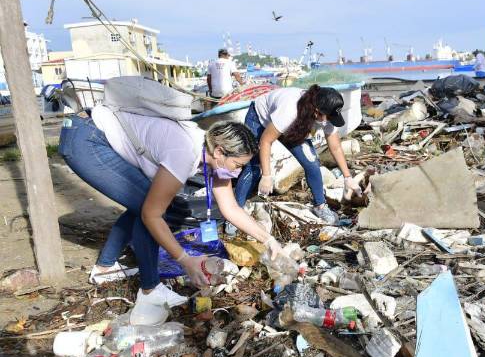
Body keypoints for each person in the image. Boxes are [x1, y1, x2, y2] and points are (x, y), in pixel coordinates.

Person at [57, 105, 286, 316]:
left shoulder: (212, 156)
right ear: (219, 152)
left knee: (144, 201)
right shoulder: (185, 153)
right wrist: (185, 260)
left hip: (90, 129)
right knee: (152, 209)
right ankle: (150, 290)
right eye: (237, 166)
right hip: (86, 138)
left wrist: (269, 240)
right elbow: (151, 215)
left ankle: (104, 268)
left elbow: (230, 208)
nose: (237, 174)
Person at [233, 85, 362, 225]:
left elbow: (335, 147)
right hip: (259, 118)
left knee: (312, 163)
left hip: (293, 125)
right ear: (316, 112)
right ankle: (235, 213)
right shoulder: (290, 109)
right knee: (254, 168)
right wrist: (267, 175)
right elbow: (266, 140)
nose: (330, 121)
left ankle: (320, 206)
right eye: (329, 117)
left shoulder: (326, 113)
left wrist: (348, 177)